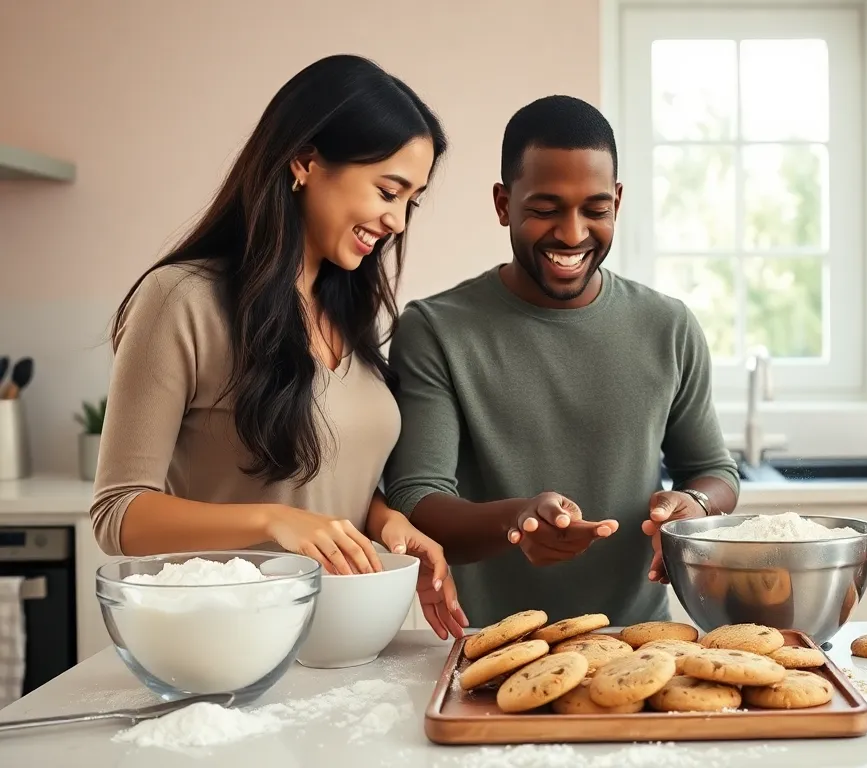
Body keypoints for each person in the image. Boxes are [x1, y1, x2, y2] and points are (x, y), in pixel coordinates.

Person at [89, 54, 470, 640]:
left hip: (348, 640)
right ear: (306, 160)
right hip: (226, 647)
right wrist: (274, 522)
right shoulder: (181, 301)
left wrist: (386, 519)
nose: (396, 219)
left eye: (410, 201)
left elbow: (322, 476)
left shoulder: (353, 312)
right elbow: (119, 512)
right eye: (388, 190)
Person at [382, 94, 741, 627]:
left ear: (617, 201)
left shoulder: (668, 326)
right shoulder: (435, 329)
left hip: (641, 640)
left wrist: (692, 505)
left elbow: (715, 472)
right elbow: (417, 498)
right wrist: (519, 520)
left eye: (595, 210)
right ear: (504, 204)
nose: (572, 234)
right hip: (487, 643)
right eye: (545, 210)